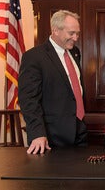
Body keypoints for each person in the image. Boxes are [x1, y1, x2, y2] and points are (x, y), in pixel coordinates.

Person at [18, 10, 87, 154]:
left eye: (77, 33)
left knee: (81, 175)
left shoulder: (75, 53)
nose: (75, 38)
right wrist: (37, 133)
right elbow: (28, 99)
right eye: (71, 33)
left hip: (79, 130)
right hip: (50, 136)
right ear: (55, 30)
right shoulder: (34, 57)